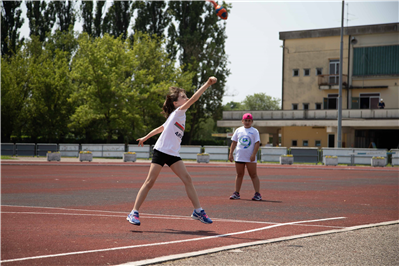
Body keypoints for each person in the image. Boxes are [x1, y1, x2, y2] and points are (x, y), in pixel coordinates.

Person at [127, 77, 217, 226]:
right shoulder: (179, 112)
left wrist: (145, 137)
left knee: (187, 179)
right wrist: (207, 84)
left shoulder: (175, 115)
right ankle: (133, 212)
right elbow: (195, 98)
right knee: (150, 182)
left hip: (173, 153)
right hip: (162, 151)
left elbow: (160, 128)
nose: (186, 98)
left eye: (185, 96)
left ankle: (198, 211)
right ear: (176, 103)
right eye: (183, 97)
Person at [228, 113, 262, 201]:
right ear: (242, 121)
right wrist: (231, 153)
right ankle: (236, 193)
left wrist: (254, 154)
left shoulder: (255, 131)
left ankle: (257, 194)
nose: (247, 122)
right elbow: (234, 142)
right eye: (245, 120)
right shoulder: (238, 130)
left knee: (253, 175)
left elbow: (257, 143)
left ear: (252, 122)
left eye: (249, 121)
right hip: (239, 156)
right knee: (239, 174)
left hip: (250, 157)